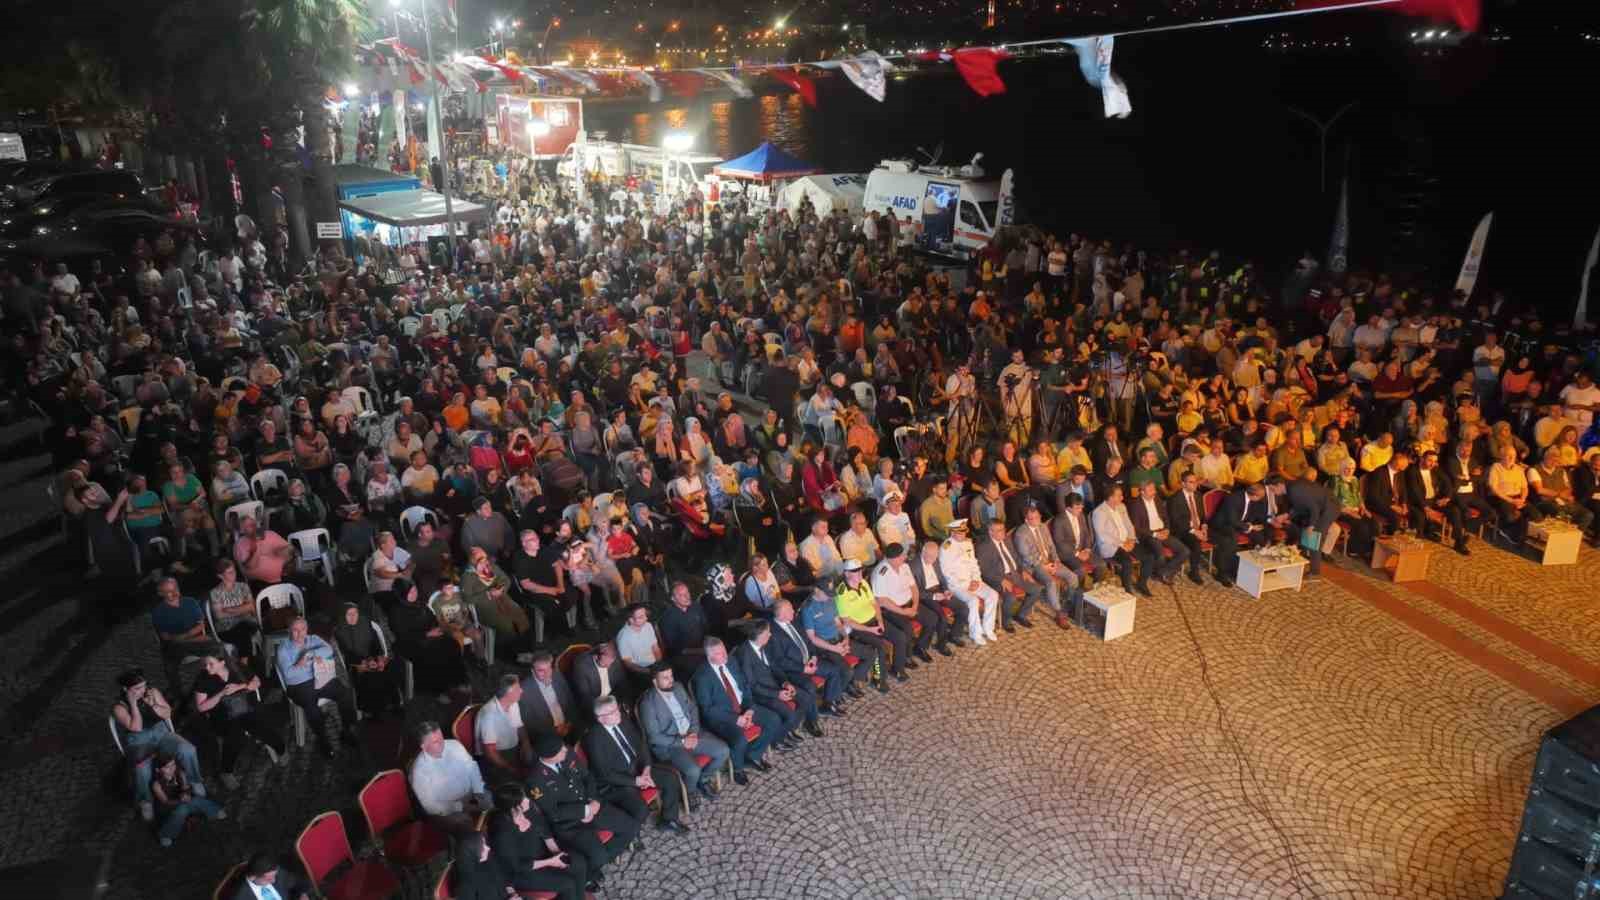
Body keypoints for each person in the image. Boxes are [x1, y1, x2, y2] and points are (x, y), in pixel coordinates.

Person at [526, 732, 641, 887]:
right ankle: (592, 869)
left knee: (631, 827)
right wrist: (584, 811)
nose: (566, 751)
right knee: (598, 857)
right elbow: (553, 813)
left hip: (592, 806)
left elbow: (588, 777)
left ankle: (598, 861)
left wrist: (594, 800)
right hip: (570, 824)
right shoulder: (535, 779)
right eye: (561, 751)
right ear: (549, 756)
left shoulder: (568, 753)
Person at [583, 694, 689, 834]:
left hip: (638, 769)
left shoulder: (623, 720)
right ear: (600, 718)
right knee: (640, 810)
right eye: (612, 712)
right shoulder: (593, 738)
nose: (618, 714)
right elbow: (605, 774)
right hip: (617, 782)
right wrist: (635, 781)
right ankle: (632, 835)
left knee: (670, 779)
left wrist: (646, 768)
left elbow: (641, 745)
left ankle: (668, 820)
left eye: (617, 709)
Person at [112, 669, 206, 823]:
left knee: (188, 749)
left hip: (161, 734)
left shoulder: (152, 692)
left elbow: (167, 713)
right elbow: (136, 727)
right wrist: (134, 704)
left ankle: (195, 780)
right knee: (141, 770)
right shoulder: (119, 707)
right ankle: (146, 801)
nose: (142, 691)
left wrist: (152, 705)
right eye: (137, 689)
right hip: (139, 741)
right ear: (125, 689)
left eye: (143, 686)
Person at [638, 663, 735, 800]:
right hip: (671, 745)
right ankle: (690, 792)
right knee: (692, 770)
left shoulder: (678, 687)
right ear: (655, 681)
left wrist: (694, 731)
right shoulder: (648, 704)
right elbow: (654, 737)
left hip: (692, 734)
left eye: (671, 675)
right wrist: (683, 741)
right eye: (665, 678)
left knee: (724, 751)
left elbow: (692, 709)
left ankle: (704, 779)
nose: (671, 680)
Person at [691, 636, 785, 776]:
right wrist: (736, 719)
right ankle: (737, 769)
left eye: (724, 651)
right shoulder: (702, 677)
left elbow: (744, 687)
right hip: (723, 717)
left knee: (773, 720)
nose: (724, 655)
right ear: (709, 656)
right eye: (718, 653)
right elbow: (708, 709)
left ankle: (752, 755)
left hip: (743, 707)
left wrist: (750, 709)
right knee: (740, 738)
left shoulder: (732, 662)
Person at [192, 653, 286, 786]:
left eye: (210, 664)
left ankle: (281, 750)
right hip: (221, 715)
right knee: (235, 736)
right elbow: (201, 707)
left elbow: (257, 682)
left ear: (222, 662)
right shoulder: (203, 678)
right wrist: (221, 694)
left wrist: (239, 687)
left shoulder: (237, 667)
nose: (207, 667)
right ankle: (226, 771)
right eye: (205, 664)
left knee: (262, 727)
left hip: (245, 708)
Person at [274, 617, 360, 758]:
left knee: (345, 693)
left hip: (321, 677)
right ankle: (323, 739)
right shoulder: (283, 648)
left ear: (306, 629)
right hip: (298, 686)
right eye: (295, 630)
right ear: (290, 631)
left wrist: (309, 655)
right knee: (312, 707)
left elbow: (329, 650)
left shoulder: (313, 639)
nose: (300, 634)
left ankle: (347, 730)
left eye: (302, 629)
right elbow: (289, 675)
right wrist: (308, 663)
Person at [485, 786, 588, 900]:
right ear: (512, 807)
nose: (528, 800)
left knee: (578, 863)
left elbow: (544, 829)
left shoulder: (527, 810)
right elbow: (515, 866)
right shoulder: (502, 830)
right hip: (524, 872)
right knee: (567, 884)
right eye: (523, 799)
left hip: (544, 855)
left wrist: (555, 852)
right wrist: (551, 862)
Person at [734, 618, 819, 741]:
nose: (770, 634)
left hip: (776, 686)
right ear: (760, 636)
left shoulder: (765, 645)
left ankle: (788, 729)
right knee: (789, 713)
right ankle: (778, 739)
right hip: (761, 695)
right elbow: (752, 685)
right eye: (768, 632)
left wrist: (785, 682)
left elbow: (775, 667)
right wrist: (777, 694)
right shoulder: (744, 655)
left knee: (806, 698)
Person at [388, 578, 471, 702]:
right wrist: (426, 634)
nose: (414, 594)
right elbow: (402, 634)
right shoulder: (396, 611)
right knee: (434, 653)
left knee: (451, 644)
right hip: (410, 643)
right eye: (410, 592)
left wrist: (436, 627)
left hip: (429, 637)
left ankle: (458, 680)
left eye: (415, 590)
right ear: (402, 594)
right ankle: (438, 690)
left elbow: (432, 618)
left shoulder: (420, 603)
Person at [409, 719, 490, 834]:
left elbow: (472, 767)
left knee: (492, 802)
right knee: (465, 826)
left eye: (441, 737)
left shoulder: (454, 745)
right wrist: (460, 806)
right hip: (448, 809)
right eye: (436, 741)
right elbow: (430, 806)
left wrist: (478, 790)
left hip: (471, 794)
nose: (442, 742)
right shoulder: (419, 771)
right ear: (423, 746)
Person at [870, 543, 942, 664]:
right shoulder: (880, 573)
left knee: (932, 618)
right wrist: (903, 611)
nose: (904, 558)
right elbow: (882, 601)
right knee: (907, 629)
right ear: (892, 559)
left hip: (909, 603)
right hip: (892, 609)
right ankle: (906, 656)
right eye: (901, 556)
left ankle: (920, 647)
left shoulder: (904, 566)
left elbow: (914, 588)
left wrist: (914, 605)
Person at [331, 602, 405, 717]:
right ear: (343, 616)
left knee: (391, 667)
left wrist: (378, 658)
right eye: (349, 614)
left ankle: (395, 704)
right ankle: (374, 710)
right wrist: (365, 662)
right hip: (355, 664)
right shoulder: (339, 631)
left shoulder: (366, 624)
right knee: (369, 676)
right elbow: (346, 653)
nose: (353, 617)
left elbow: (376, 644)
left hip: (372, 658)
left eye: (355, 613)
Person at [1011, 503, 1080, 624]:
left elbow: (1052, 546)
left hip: (1050, 561)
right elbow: (1026, 557)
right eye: (1033, 519)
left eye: (1038, 517)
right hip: (1035, 566)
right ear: (1026, 520)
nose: (1037, 520)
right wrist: (1044, 566)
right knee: (1051, 582)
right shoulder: (1021, 533)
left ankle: (1067, 604)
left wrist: (1056, 560)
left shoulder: (1043, 527)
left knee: (1073, 577)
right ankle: (1058, 613)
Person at [940, 519, 1000, 645]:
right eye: (959, 533)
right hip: (957, 585)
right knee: (973, 600)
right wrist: (964, 585)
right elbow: (946, 572)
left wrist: (976, 579)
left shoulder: (968, 543)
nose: (963, 535)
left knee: (993, 595)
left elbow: (974, 564)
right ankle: (975, 633)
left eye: (964, 532)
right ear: (952, 532)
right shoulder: (946, 547)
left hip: (972, 581)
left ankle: (988, 629)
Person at [976, 517, 1043, 628]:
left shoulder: (1007, 540)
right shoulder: (983, 547)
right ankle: (1006, 621)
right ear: (990, 532)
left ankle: (1021, 615)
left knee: (1037, 589)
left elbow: (1017, 558)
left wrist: (1023, 571)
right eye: (998, 530)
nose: (1003, 532)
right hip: (997, 578)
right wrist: (1001, 580)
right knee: (1010, 597)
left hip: (1014, 574)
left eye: (1003, 529)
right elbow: (984, 570)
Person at [150, 751, 226, 847]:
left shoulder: (179, 773)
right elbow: (165, 802)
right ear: (158, 770)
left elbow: (186, 788)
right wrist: (181, 800)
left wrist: (186, 794)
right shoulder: (156, 784)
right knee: (183, 809)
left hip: (182, 800)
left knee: (194, 800)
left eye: (173, 765)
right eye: (167, 767)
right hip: (167, 808)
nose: (172, 769)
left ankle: (214, 811)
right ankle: (165, 835)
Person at [1093, 484, 1156, 596]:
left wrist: (1131, 539)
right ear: (1111, 497)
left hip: (1127, 541)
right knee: (1127, 562)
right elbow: (1102, 535)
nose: (1122, 498)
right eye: (1119, 495)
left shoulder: (1122, 507)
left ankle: (1142, 584)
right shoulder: (1099, 512)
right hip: (1111, 546)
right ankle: (1127, 590)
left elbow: (1129, 525)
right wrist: (1121, 543)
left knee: (1149, 556)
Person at [907, 540, 968, 654]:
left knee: (963, 607)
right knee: (942, 617)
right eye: (930, 556)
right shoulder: (913, 566)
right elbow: (915, 591)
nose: (933, 559)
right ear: (923, 553)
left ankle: (954, 635)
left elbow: (941, 578)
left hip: (939, 590)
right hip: (925, 595)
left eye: (935, 556)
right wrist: (934, 596)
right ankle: (940, 645)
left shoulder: (935, 560)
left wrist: (946, 590)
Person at [1127, 480, 1189, 587]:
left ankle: (1162, 572)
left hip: (1162, 531)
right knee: (1159, 552)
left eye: (1154, 489)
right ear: (1142, 492)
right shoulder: (1135, 504)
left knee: (1185, 551)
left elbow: (1165, 517)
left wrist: (1167, 529)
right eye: (1150, 490)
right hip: (1148, 535)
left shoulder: (1157, 499)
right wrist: (1155, 534)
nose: (1154, 492)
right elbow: (1137, 528)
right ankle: (1163, 573)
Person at [1209, 481, 1271, 582]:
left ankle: (1257, 567)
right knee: (1231, 540)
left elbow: (1253, 516)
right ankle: (1222, 573)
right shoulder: (1233, 498)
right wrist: (1248, 527)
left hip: (1239, 524)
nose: (1262, 499)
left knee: (1259, 536)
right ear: (1255, 495)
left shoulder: (1254, 501)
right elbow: (1232, 520)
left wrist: (1250, 526)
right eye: (1261, 497)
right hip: (1223, 525)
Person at [520, 651, 580, 743]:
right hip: (546, 736)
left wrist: (569, 724)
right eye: (541, 670)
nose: (547, 674)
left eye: (549, 669)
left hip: (568, 725)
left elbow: (570, 700)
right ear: (532, 671)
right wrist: (555, 731)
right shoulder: (524, 690)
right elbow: (529, 723)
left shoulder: (557, 675)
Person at [1166, 471, 1213, 584]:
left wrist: (1204, 527)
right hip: (1183, 531)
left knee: (1222, 536)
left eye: (1196, 481)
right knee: (1195, 543)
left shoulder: (1198, 495)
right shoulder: (1174, 499)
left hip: (1198, 528)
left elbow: (1202, 515)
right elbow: (1176, 522)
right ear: (1183, 484)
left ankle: (1224, 571)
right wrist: (1194, 531)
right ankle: (1194, 572)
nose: (1195, 484)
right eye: (1191, 482)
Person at [571, 641, 637, 714]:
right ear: (595, 657)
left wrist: (625, 701)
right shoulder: (581, 666)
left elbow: (622, 681)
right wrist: (606, 709)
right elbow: (585, 696)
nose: (608, 667)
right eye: (605, 664)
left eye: (610, 664)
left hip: (613, 696)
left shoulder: (614, 658)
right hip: (596, 702)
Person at [230, 852, 312, 900]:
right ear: (253, 876)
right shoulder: (240, 896)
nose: (273, 881)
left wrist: (303, 894)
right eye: (268, 879)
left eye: (274, 875)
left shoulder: (276, 872)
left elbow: (299, 883)